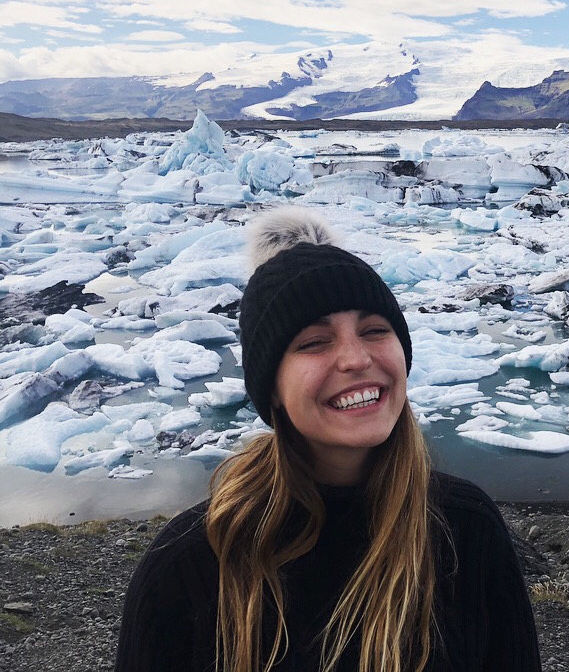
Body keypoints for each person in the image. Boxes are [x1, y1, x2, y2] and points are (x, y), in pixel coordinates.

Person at [115, 207, 541, 672]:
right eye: (314, 342)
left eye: (374, 330)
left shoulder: (465, 531)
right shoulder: (192, 564)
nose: (356, 359)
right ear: (270, 388)